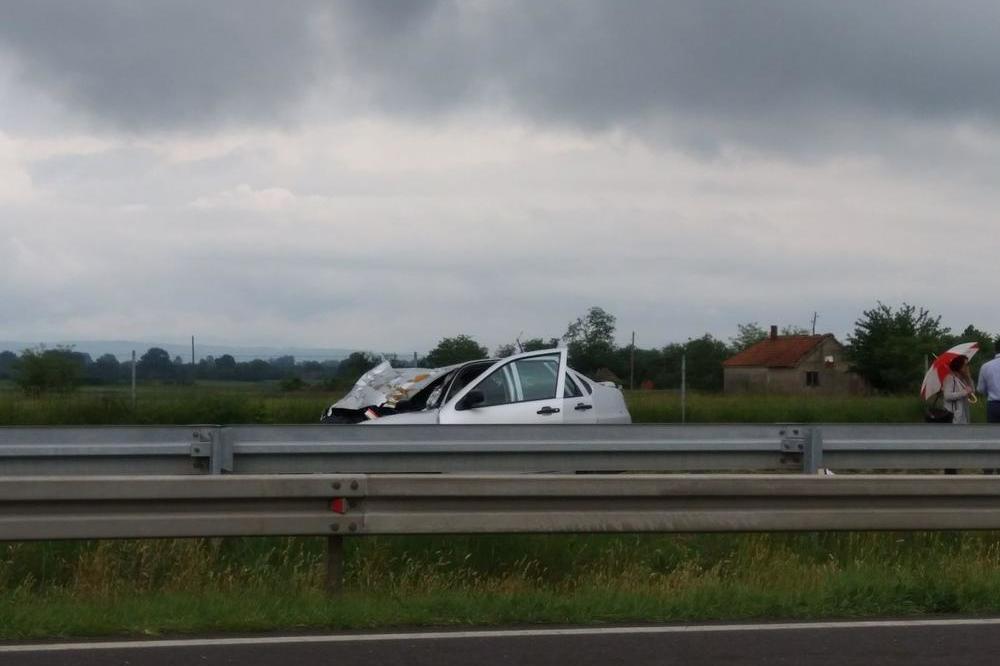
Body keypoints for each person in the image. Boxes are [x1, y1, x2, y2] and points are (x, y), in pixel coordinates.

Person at [942, 356, 974, 425]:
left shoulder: (964, 379)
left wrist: (968, 378)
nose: (968, 367)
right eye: (966, 364)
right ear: (959, 366)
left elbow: (972, 392)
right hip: (954, 417)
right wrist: (964, 392)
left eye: (968, 364)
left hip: (964, 415)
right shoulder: (950, 378)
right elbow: (947, 396)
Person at [977, 339, 1000, 424]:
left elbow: (980, 389)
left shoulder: (986, 366)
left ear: (995, 350)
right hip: (993, 404)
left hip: (993, 405)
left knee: (993, 435)